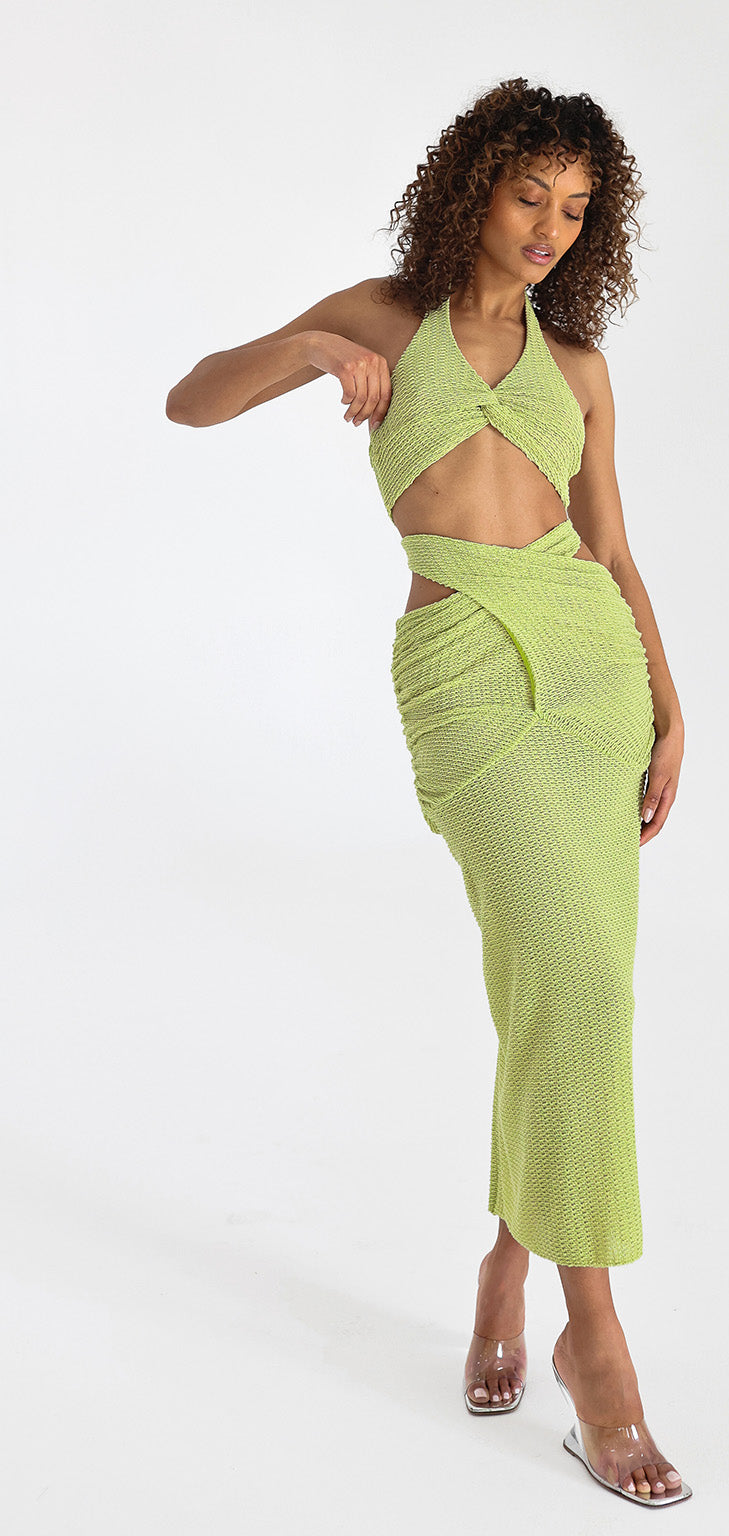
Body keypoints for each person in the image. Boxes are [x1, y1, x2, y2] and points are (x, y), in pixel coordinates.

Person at [166, 77, 690, 1507]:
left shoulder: (577, 364)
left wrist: (668, 701)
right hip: (464, 672)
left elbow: (612, 548)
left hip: (594, 675)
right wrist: (314, 347)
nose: (550, 228)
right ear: (476, 185)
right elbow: (189, 401)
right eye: (530, 195)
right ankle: (598, 1348)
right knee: (575, 987)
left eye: (576, 209)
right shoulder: (388, 317)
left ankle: (510, 1271)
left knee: (562, 992)